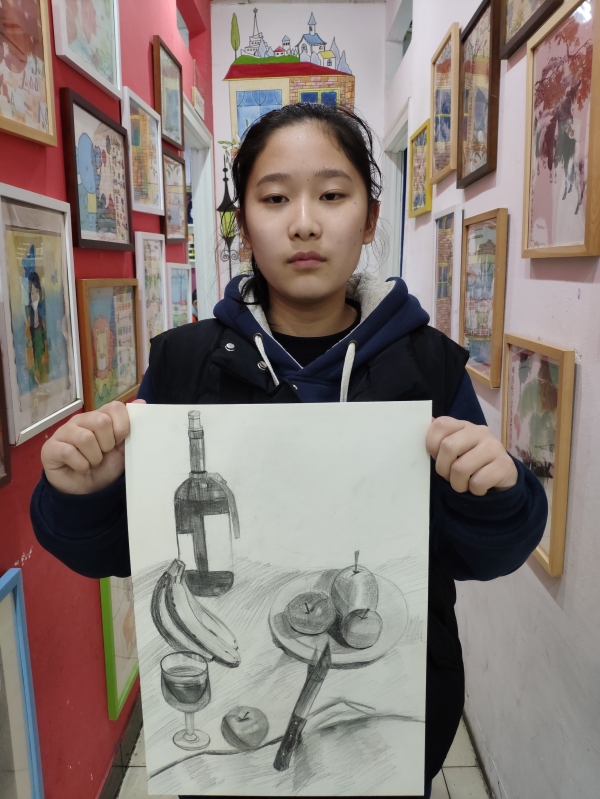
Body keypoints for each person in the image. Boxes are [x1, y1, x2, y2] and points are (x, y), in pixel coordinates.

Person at [30, 103, 547, 799]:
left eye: (332, 195)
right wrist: (82, 494)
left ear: (369, 218)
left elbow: (483, 555)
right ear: (244, 225)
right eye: (274, 199)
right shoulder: (183, 366)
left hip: (389, 725)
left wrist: (501, 494)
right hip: (231, 729)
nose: (304, 223)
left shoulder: (429, 366)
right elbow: (123, 552)